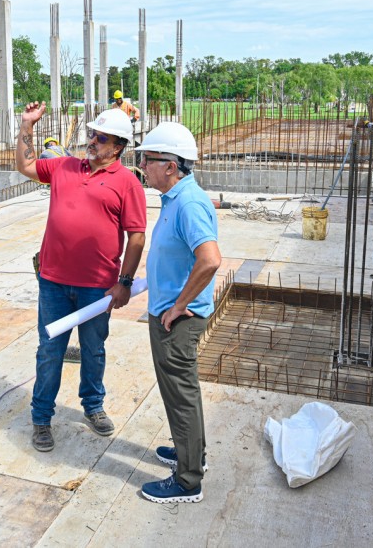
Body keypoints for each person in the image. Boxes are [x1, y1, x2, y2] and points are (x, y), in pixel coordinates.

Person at [15, 103, 147, 452]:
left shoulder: (127, 183)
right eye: (91, 134)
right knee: (49, 350)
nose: (92, 141)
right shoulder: (64, 166)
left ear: (118, 146)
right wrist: (27, 126)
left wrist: (125, 282)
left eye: (100, 138)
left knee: (93, 349)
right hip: (54, 282)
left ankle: (93, 406)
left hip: (98, 287)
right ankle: (41, 418)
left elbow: (136, 235)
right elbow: (26, 165)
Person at [136, 122, 221, 504]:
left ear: (171, 166)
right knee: (179, 392)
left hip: (178, 320)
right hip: (170, 312)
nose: (142, 166)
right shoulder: (175, 198)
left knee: (180, 393)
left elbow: (210, 260)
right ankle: (190, 452)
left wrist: (179, 304)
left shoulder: (188, 203)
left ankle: (188, 480)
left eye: (147, 160)